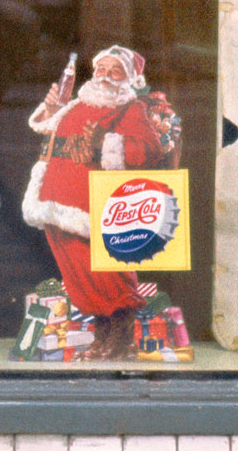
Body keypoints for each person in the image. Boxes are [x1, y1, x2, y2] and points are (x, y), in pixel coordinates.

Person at [21, 45, 171, 359]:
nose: (104, 76)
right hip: (54, 201)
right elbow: (49, 130)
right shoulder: (77, 102)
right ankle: (103, 337)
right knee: (78, 275)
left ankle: (120, 338)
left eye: (114, 70)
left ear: (127, 77)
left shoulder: (130, 109)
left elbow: (149, 150)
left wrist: (105, 142)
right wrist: (51, 109)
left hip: (91, 205)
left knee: (107, 275)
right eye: (101, 69)